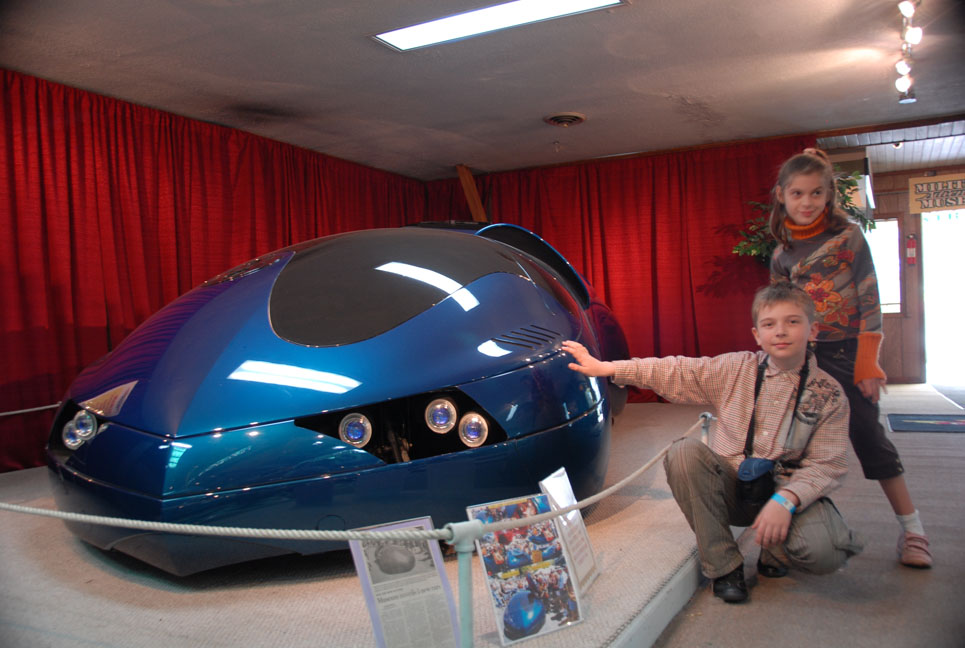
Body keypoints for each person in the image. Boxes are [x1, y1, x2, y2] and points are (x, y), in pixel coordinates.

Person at [562, 282, 863, 603]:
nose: (780, 331)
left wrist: (787, 500)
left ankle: (775, 550)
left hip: (786, 491)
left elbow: (827, 464)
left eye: (793, 321)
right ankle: (724, 566)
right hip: (734, 487)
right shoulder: (737, 368)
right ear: (757, 334)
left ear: (813, 329)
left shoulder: (829, 394)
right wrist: (609, 368)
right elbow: (677, 370)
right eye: (769, 324)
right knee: (683, 453)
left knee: (826, 551)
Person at [769, 147, 932, 568]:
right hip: (802, 359)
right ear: (782, 195)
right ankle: (793, 532)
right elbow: (779, 311)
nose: (807, 202)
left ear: (829, 195)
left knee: (869, 437)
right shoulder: (782, 254)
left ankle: (913, 529)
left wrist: (868, 361)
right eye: (798, 193)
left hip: (847, 353)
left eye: (816, 192)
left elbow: (870, 299)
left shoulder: (849, 238)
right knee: (792, 446)